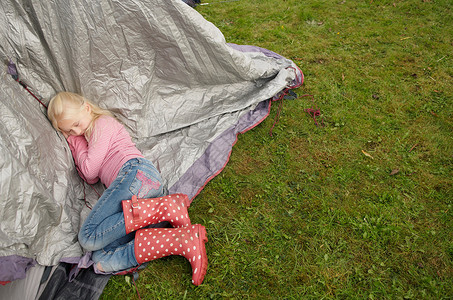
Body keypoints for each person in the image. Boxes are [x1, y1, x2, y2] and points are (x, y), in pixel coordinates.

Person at [47, 92, 208, 285]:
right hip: (139, 197)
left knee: (88, 237)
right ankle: (181, 240)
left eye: (76, 124)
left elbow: (90, 172)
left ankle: (164, 208)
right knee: (100, 257)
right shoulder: (89, 135)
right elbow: (90, 178)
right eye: (69, 131)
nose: (76, 132)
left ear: (87, 108)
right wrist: (78, 138)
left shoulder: (102, 124)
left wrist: (74, 141)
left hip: (136, 175)